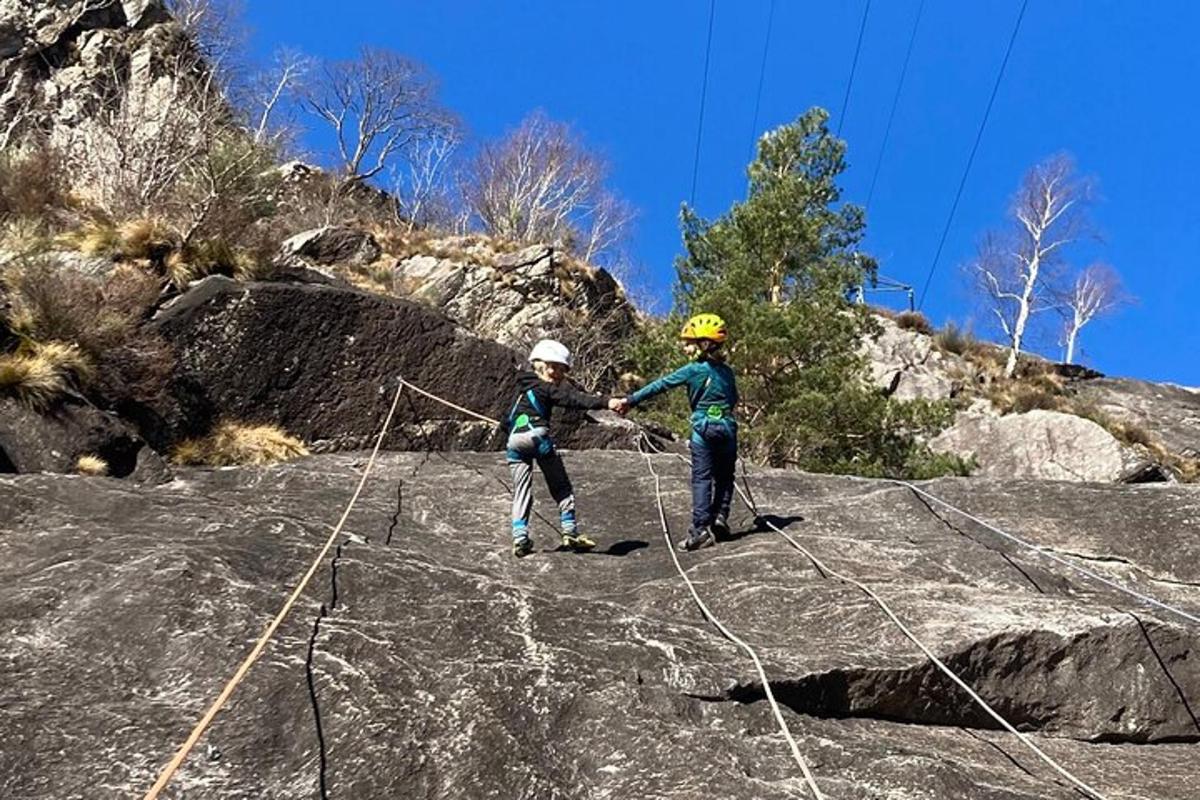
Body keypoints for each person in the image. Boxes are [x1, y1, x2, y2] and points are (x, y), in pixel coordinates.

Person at [621, 313, 737, 551]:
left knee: (702, 478)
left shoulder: (693, 370)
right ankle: (720, 517)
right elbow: (734, 399)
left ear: (704, 344)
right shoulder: (727, 372)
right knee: (725, 477)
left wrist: (630, 400)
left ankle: (700, 530)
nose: (685, 347)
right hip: (727, 429)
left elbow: (661, 385)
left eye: (689, 343)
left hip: (702, 430)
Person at [505, 339, 626, 558]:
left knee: (521, 490)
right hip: (538, 436)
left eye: (561, 370)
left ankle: (520, 537)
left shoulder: (523, 388)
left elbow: (509, 418)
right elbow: (573, 399)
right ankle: (570, 531)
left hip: (514, 441)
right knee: (561, 485)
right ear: (540, 364)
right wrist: (606, 402)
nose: (558, 374)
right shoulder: (546, 388)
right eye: (554, 368)